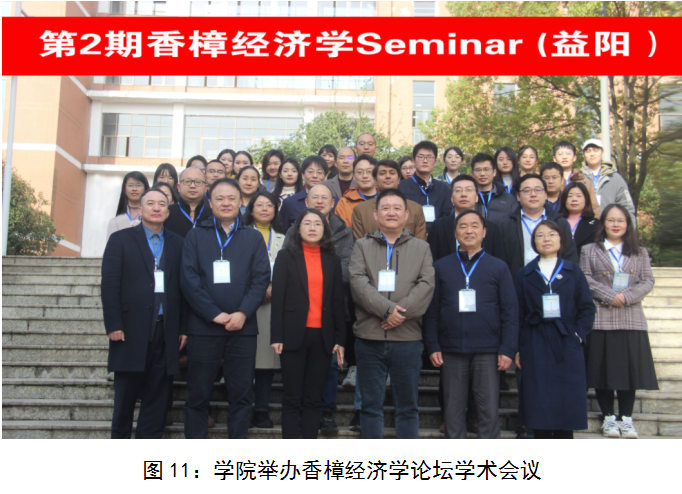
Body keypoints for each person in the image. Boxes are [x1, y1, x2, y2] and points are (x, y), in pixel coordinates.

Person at [181, 178, 271, 439]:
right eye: (219, 198)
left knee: (241, 395)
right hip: (203, 327)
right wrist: (213, 314)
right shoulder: (195, 235)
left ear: (240, 202)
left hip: (242, 328)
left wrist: (243, 313)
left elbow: (261, 279)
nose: (226, 203)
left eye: (231, 198)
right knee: (198, 394)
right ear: (210, 203)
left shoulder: (252, 237)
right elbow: (189, 280)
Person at [424, 210, 518, 439]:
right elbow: (432, 310)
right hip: (451, 348)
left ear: (484, 232)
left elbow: (510, 311)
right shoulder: (441, 266)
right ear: (455, 233)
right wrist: (433, 345)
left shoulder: (498, 267)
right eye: (463, 226)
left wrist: (507, 348)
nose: (469, 231)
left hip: (488, 348)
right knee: (453, 411)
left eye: (475, 226)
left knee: (488, 411)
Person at [349, 188, 435, 439]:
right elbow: (357, 283)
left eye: (397, 208)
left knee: (408, 407)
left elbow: (426, 285)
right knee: (370, 407)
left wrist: (400, 314)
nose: (391, 212)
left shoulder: (421, 248)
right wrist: (387, 310)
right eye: (385, 208)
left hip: (407, 339)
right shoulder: (362, 246)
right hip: (369, 337)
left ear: (407, 215)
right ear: (376, 214)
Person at [101, 187, 186, 438]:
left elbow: (183, 289)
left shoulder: (178, 243)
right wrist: (114, 324)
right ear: (140, 209)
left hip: (166, 330)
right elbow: (110, 285)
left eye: (162, 204)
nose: (156, 208)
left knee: (157, 399)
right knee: (125, 399)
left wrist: (183, 327)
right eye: (150, 203)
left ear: (168, 212)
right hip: (129, 328)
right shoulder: (121, 240)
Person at [282, 185, 355, 434]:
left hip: (327, 323)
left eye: (325, 197)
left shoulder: (339, 242)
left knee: (320, 385)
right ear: (306, 202)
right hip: (296, 325)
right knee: (293, 393)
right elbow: (283, 287)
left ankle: (323, 418)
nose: (320, 201)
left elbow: (342, 285)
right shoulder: (290, 243)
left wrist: (339, 339)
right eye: (315, 197)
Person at [580, 204, 657, 439]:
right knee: (602, 370)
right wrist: (610, 295)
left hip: (630, 317)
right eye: (611, 220)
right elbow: (585, 278)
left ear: (627, 224)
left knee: (627, 371)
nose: (616, 224)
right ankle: (608, 418)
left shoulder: (639, 251)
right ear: (603, 223)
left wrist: (627, 297)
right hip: (601, 317)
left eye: (620, 220)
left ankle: (626, 418)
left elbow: (648, 280)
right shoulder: (589, 250)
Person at [514, 220, 596, 439]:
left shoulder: (573, 271)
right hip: (535, 340)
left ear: (561, 239)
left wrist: (578, 335)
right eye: (540, 235)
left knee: (566, 400)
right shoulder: (525, 274)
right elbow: (518, 313)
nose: (546, 239)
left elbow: (587, 308)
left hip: (566, 339)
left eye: (551, 234)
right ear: (533, 242)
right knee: (538, 398)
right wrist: (518, 347)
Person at [271, 208, 346, 439]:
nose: (312, 228)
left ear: (325, 229)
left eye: (318, 223)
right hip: (293, 335)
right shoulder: (285, 256)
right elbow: (278, 298)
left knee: (314, 399)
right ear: (298, 229)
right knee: (292, 398)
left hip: (322, 337)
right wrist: (276, 335)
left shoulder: (332, 260)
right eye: (307, 223)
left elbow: (337, 301)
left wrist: (340, 339)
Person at [242, 191, 286, 429]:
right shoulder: (241, 235)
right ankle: (243, 408)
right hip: (247, 304)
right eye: (259, 205)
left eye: (269, 205)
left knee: (267, 361)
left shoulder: (284, 237)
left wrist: (273, 288)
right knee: (245, 360)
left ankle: (261, 409)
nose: (264, 209)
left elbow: (289, 269)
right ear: (251, 209)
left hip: (273, 304)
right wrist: (259, 290)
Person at [499, 173, 579, 278]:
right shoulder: (506, 225)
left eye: (538, 190)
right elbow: (500, 260)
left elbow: (570, 257)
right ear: (518, 196)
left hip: (555, 281)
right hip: (518, 282)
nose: (533, 194)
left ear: (545, 195)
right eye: (527, 190)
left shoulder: (560, 223)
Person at [428, 174, 507, 263]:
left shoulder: (492, 228)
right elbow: (432, 260)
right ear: (452, 198)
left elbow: (499, 263)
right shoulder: (438, 226)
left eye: (469, 190)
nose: (463, 194)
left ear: (476, 197)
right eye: (458, 190)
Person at [351, 159, 427, 242]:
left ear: (399, 179)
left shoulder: (416, 209)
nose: (388, 176)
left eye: (392, 173)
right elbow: (359, 245)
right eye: (382, 173)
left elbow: (420, 245)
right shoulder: (360, 210)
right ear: (375, 180)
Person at [398, 141, 453, 233]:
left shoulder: (443, 188)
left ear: (435, 162)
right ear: (413, 161)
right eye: (421, 157)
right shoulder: (401, 187)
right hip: (409, 237)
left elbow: (447, 216)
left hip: (437, 237)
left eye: (429, 157)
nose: (425, 161)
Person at [581, 138, 636, 224]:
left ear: (602, 153)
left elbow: (627, 206)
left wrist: (630, 229)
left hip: (610, 226)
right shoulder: (577, 177)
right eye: (588, 151)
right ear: (583, 155)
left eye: (596, 150)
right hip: (583, 226)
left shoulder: (615, 178)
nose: (592, 154)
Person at [552, 140, 602, 218]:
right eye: (560, 154)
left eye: (568, 153)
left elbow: (595, 208)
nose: (564, 157)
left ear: (574, 158)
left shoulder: (585, 182)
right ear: (554, 158)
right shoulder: (549, 181)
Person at [279, 155, 329, 230]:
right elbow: (282, 232)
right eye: (310, 172)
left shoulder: (333, 202)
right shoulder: (289, 203)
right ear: (302, 175)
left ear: (325, 176)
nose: (315, 176)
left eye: (319, 172)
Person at [164, 167, 213, 239]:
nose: (192, 186)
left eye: (198, 182)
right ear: (178, 187)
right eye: (187, 181)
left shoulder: (212, 214)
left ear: (206, 188)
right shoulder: (167, 213)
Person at [335, 154, 378, 227]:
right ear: (354, 177)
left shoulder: (387, 198)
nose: (365, 176)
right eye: (360, 172)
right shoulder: (344, 203)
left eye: (369, 171)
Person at [106, 171, 149, 243]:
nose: (134, 189)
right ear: (124, 190)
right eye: (130, 185)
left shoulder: (151, 217)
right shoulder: (115, 222)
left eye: (138, 185)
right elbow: (111, 248)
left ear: (145, 189)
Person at [470, 153, 518, 217]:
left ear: (494, 172)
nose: (482, 174)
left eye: (486, 169)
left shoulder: (509, 199)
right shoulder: (467, 198)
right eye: (478, 170)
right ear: (472, 174)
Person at [561, 182, 599, 257]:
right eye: (570, 196)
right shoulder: (556, 222)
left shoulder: (596, 224)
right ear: (564, 199)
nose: (574, 199)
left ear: (586, 199)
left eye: (579, 196)